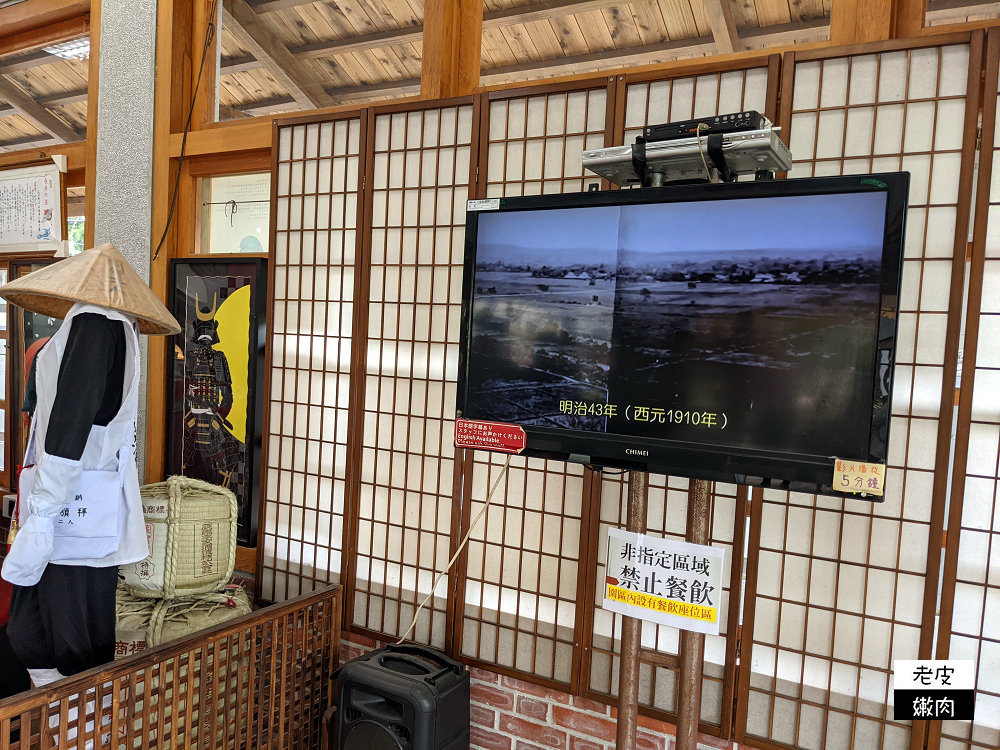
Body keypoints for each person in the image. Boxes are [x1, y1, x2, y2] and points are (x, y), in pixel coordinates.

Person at [0, 243, 180, 688]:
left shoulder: (96, 324)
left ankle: (77, 725)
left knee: (70, 635)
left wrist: (42, 514)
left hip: (67, 503)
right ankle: (57, 718)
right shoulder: (107, 324)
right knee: (36, 629)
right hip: (70, 497)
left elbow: (70, 424)